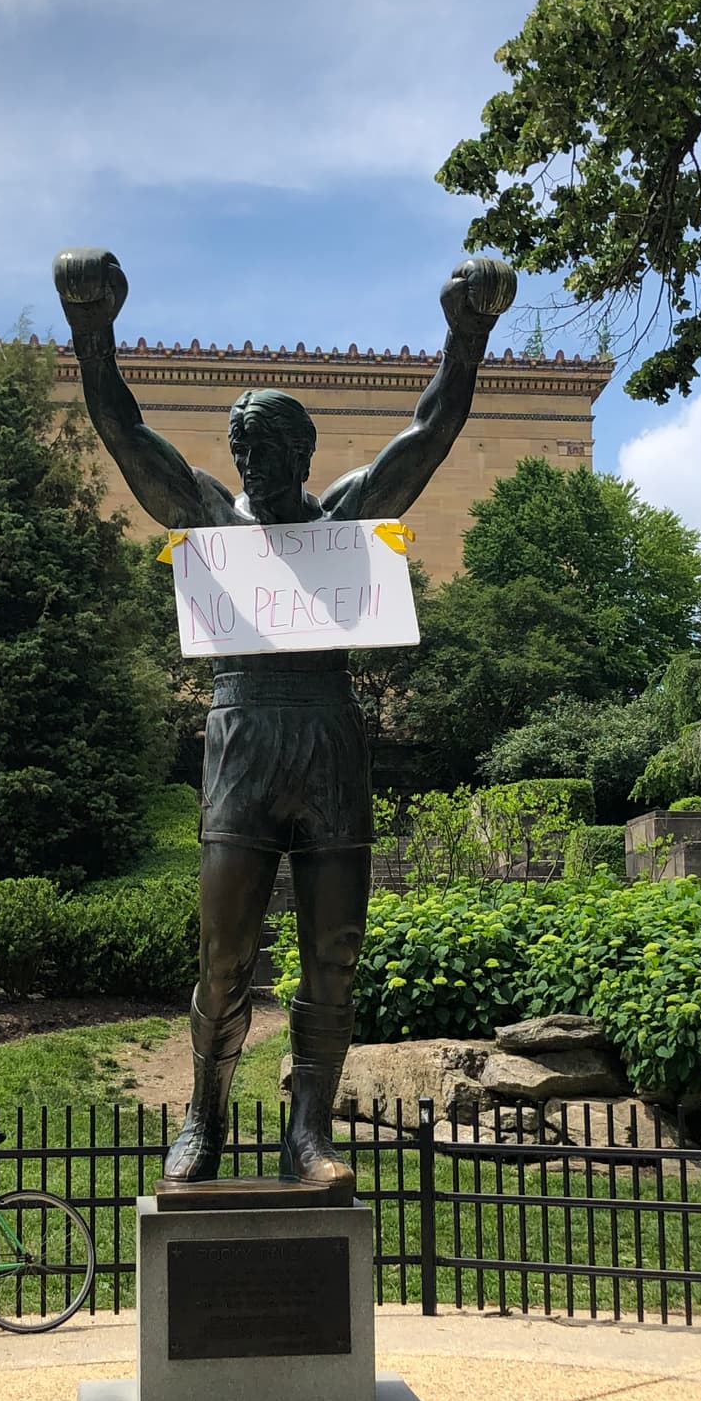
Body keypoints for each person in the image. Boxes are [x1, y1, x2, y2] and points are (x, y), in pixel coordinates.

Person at [54, 247, 515, 1200]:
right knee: (223, 955)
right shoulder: (215, 524)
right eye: (243, 451)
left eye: (270, 451)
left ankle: (307, 1130)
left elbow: (428, 436)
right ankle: (205, 1115)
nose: (253, 465)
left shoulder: (345, 522)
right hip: (242, 741)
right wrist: (92, 330)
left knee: (333, 953)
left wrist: (466, 334)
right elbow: (125, 432)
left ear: (304, 456)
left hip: (330, 739)